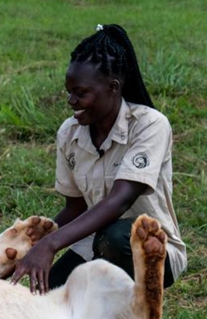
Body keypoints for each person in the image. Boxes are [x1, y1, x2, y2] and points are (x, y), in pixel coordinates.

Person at [11, 24, 187, 299]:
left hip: (151, 252)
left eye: (80, 93)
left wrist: (51, 245)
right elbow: (76, 207)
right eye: (68, 91)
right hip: (94, 247)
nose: (71, 101)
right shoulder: (70, 133)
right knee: (45, 303)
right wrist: (31, 242)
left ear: (113, 87)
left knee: (118, 238)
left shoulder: (150, 125)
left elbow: (119, 201)